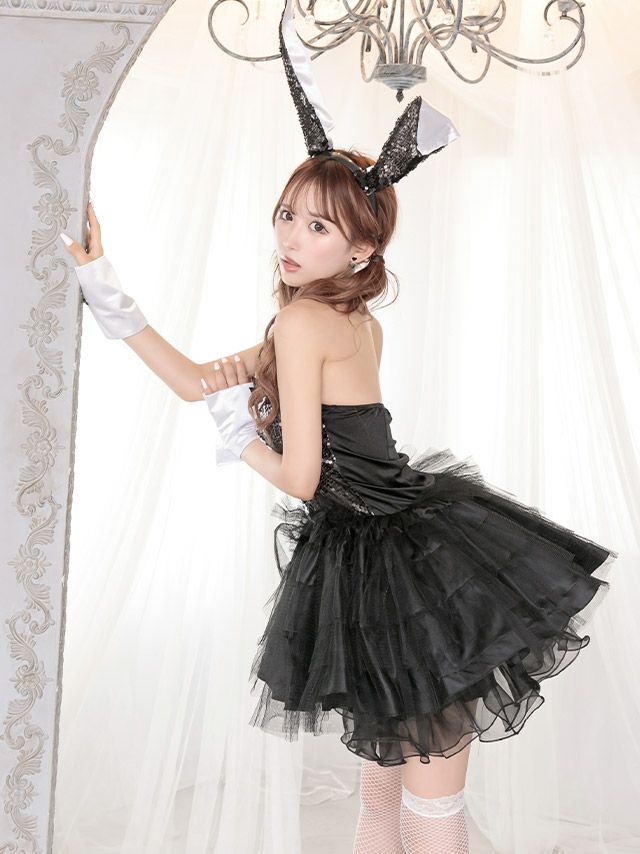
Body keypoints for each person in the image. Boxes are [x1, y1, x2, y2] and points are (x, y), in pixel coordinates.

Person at [58, 3, 619, 851]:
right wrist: (105, 285)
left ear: (360, 250)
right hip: (389, 557)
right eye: (288, 213)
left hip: (396, 566)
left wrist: (240, 438)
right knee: (390, 801)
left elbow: (299, 477)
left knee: (421, 806)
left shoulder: (304, 323)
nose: (290, 235)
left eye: (317, 225)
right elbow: (200, 380)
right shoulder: (339, 318)